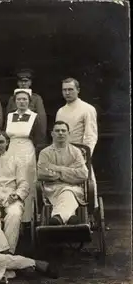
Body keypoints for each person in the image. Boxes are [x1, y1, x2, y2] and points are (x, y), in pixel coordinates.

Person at [5, 89, 46, 224]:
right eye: (19, 99)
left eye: (24, 99)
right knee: (11, 181)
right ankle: (11, 216)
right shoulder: (10, 116)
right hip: (11, 151)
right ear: (15, 101)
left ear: (29, 101)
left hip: (27, 152)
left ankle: (28, 218)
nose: (22, 102)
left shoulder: (34, 116)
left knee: (26, 182)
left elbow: (39, 138)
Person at [55, 77, 98, 208]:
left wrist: (85, 155)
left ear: (78, 90)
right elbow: (58, 134)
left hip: (80, 153)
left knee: (87, 184)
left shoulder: (87, 109)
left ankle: (91, 213)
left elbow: (91, 134)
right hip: (63, 153)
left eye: (70, 89)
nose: (67, 93)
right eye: (64, 90)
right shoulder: (61, 111)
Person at [37, 121, 88, 225]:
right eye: (57, 130)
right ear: (52, 134)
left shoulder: (76, 152)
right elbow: (41, 173)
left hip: (74, 188)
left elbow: (83, 174)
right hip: (52, 189)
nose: (60, 133)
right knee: (67, 192)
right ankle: (70, 217)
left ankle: (58, 217)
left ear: (68, 134)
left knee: (68, 191)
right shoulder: (45, 153)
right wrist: (71, 172)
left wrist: (57, 170)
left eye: (63, 130)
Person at [6, 69, 47, 134]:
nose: (23, 83)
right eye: (20, 81)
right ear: (17, 83)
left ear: (30, 82)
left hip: (31, 132)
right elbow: (7, 118)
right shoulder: (12, 99)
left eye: (26, 81)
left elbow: (41, 119)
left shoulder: (36, 98)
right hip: (14, 130)